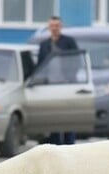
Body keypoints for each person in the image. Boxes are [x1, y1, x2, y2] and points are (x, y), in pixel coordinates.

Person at [38, 16, 78, 145]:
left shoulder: (69, 42)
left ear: (61, 27)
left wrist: (70, 78)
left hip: (67, 85)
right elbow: (40, 65)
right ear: (49, 27)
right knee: (53, 117)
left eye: (57, 26)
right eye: (52, 26)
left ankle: (69, 144)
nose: (54, 28)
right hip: (50, 86)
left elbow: (76, 61)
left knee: (69, 117)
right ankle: (54, 145)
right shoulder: (44, 45)